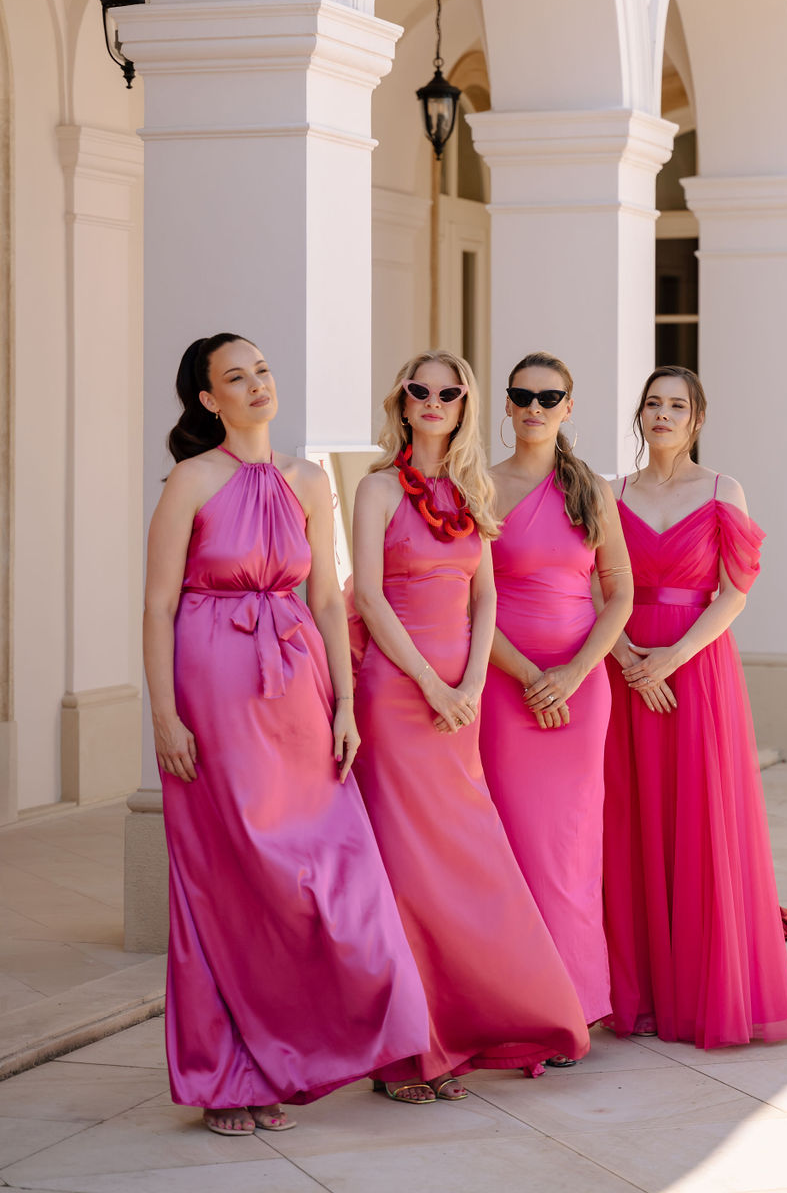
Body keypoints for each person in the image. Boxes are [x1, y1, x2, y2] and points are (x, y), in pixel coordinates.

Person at [143, 334, 429, 1135]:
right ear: (208, 400)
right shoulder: (191, 481)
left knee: (328, 872)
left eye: (262, 370)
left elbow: (331, 602)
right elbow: (159, 604)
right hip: (215, 688)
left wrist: (343, 705)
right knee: (235, 878)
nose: (258, 385)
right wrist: (164, 715)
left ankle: (300, 1049)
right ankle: (232, 1074)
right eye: (237, 378)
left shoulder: (310, 481)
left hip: (299, 686)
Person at [351, 350, 590, 1103]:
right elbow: (367, 599)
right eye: (418, 388)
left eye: (447, 392)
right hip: (397, 696)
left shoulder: (470, 490)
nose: (432, 400)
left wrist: (476, 682)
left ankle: (460, 1032)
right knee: (407, 872)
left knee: (463, 868)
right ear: (402, 400)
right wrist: (429, 682)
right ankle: (407, 1054)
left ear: (463, 406)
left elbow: (484, 596)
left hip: (462, 697)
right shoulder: (377, 489)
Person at [603, 365, 787, 1048]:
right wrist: (629, 660)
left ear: (697, 419)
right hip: (626, 669)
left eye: (676, 405)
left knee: (699, 820)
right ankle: (642, 994)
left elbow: (733, 594)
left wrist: (672, 659)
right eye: (653, 403)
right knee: (633, 822)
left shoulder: (723, 491)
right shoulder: (612, 493)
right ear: (641, 415)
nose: (663, 414)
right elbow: (596, 590)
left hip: (697, 668)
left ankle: (702, 991)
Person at [480, 352, 632, 1039]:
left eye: (550, 397)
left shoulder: (591, 490)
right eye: (522, 396)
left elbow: (620, 594)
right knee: (513, 845)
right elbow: (465, 598)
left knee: (570, 850)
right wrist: (525, 675)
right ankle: (518, 1004)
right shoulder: (478, 486)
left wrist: (571, 675)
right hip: (501, 681)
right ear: (506, 407)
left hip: (580, 686)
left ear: (569, 407)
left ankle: (575, 1004)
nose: (535, 408)